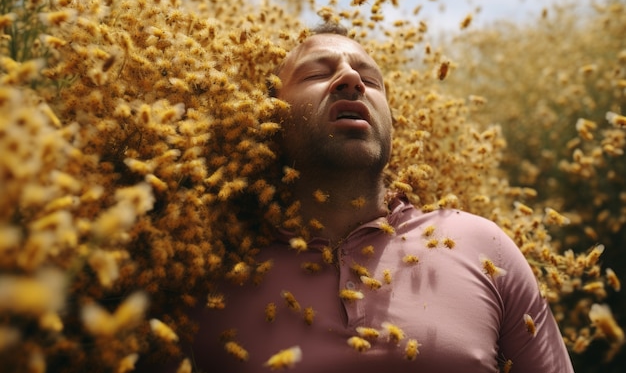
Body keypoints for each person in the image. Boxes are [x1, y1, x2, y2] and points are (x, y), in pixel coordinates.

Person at [187, 24, 575, 372]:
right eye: (317, 73)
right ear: (266, 113)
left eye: (371, 80)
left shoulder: (482, 246)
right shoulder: (203, 270)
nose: (351, 78)